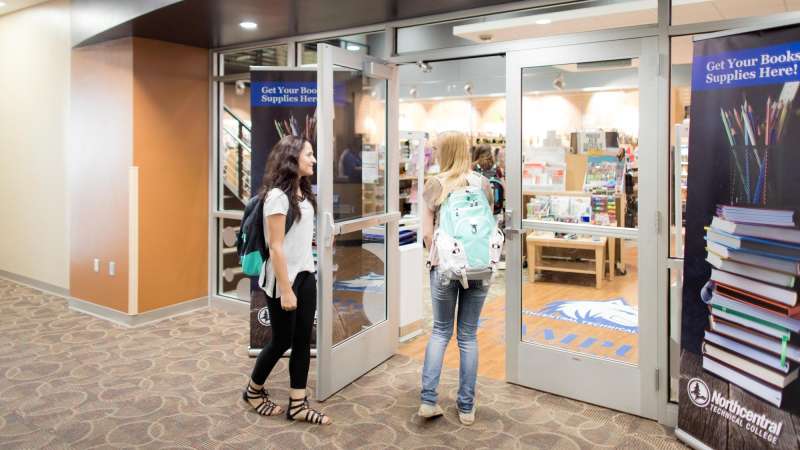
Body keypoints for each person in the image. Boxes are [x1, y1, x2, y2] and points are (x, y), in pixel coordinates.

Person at [242, 135, 332, 425]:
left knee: (303, 341)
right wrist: (286, 290)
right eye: (309, 154)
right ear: (293, 159)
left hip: (306, 274)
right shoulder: (278, 197)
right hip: (284, 279)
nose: (314, 159)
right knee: (281, 341)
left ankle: (297, 403)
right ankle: (253, 391)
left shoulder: (303, 194)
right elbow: (276, 247)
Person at [419, 131, 494, 426]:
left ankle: (428, 400)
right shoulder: (482, 182)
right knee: (468, 336)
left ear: (444, 152)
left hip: (446, 267)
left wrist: (437, 255)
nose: (434, 152)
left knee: (440, 332)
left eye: (436, 148)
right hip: (478, 266)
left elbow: (426, 233)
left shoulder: (435, 184)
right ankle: (466, 406)